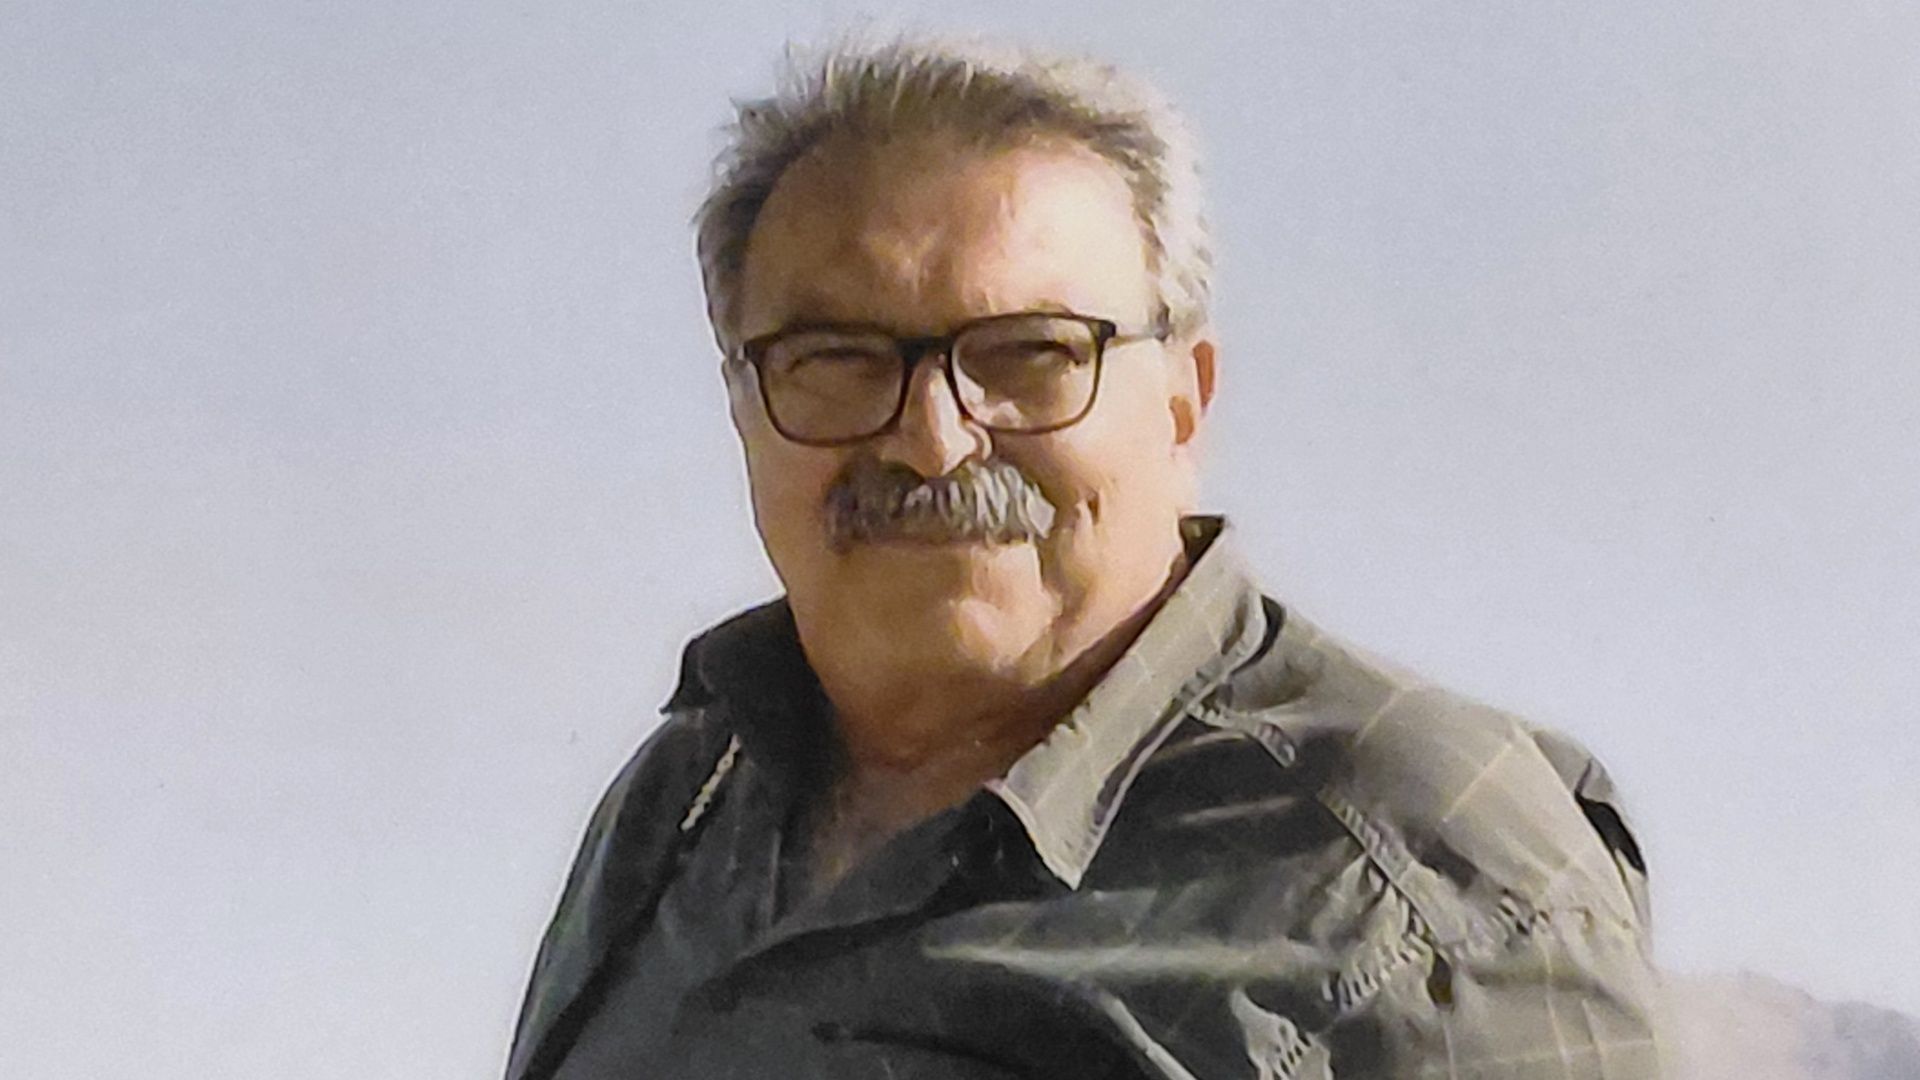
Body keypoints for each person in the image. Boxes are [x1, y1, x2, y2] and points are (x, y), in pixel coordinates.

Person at [505, 36, 1664, 1080]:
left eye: (1031, 354)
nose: (933, 438)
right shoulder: (681, 803)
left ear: (1183, 404)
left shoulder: (1416, 878)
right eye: (838, 359)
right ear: (743, 408)